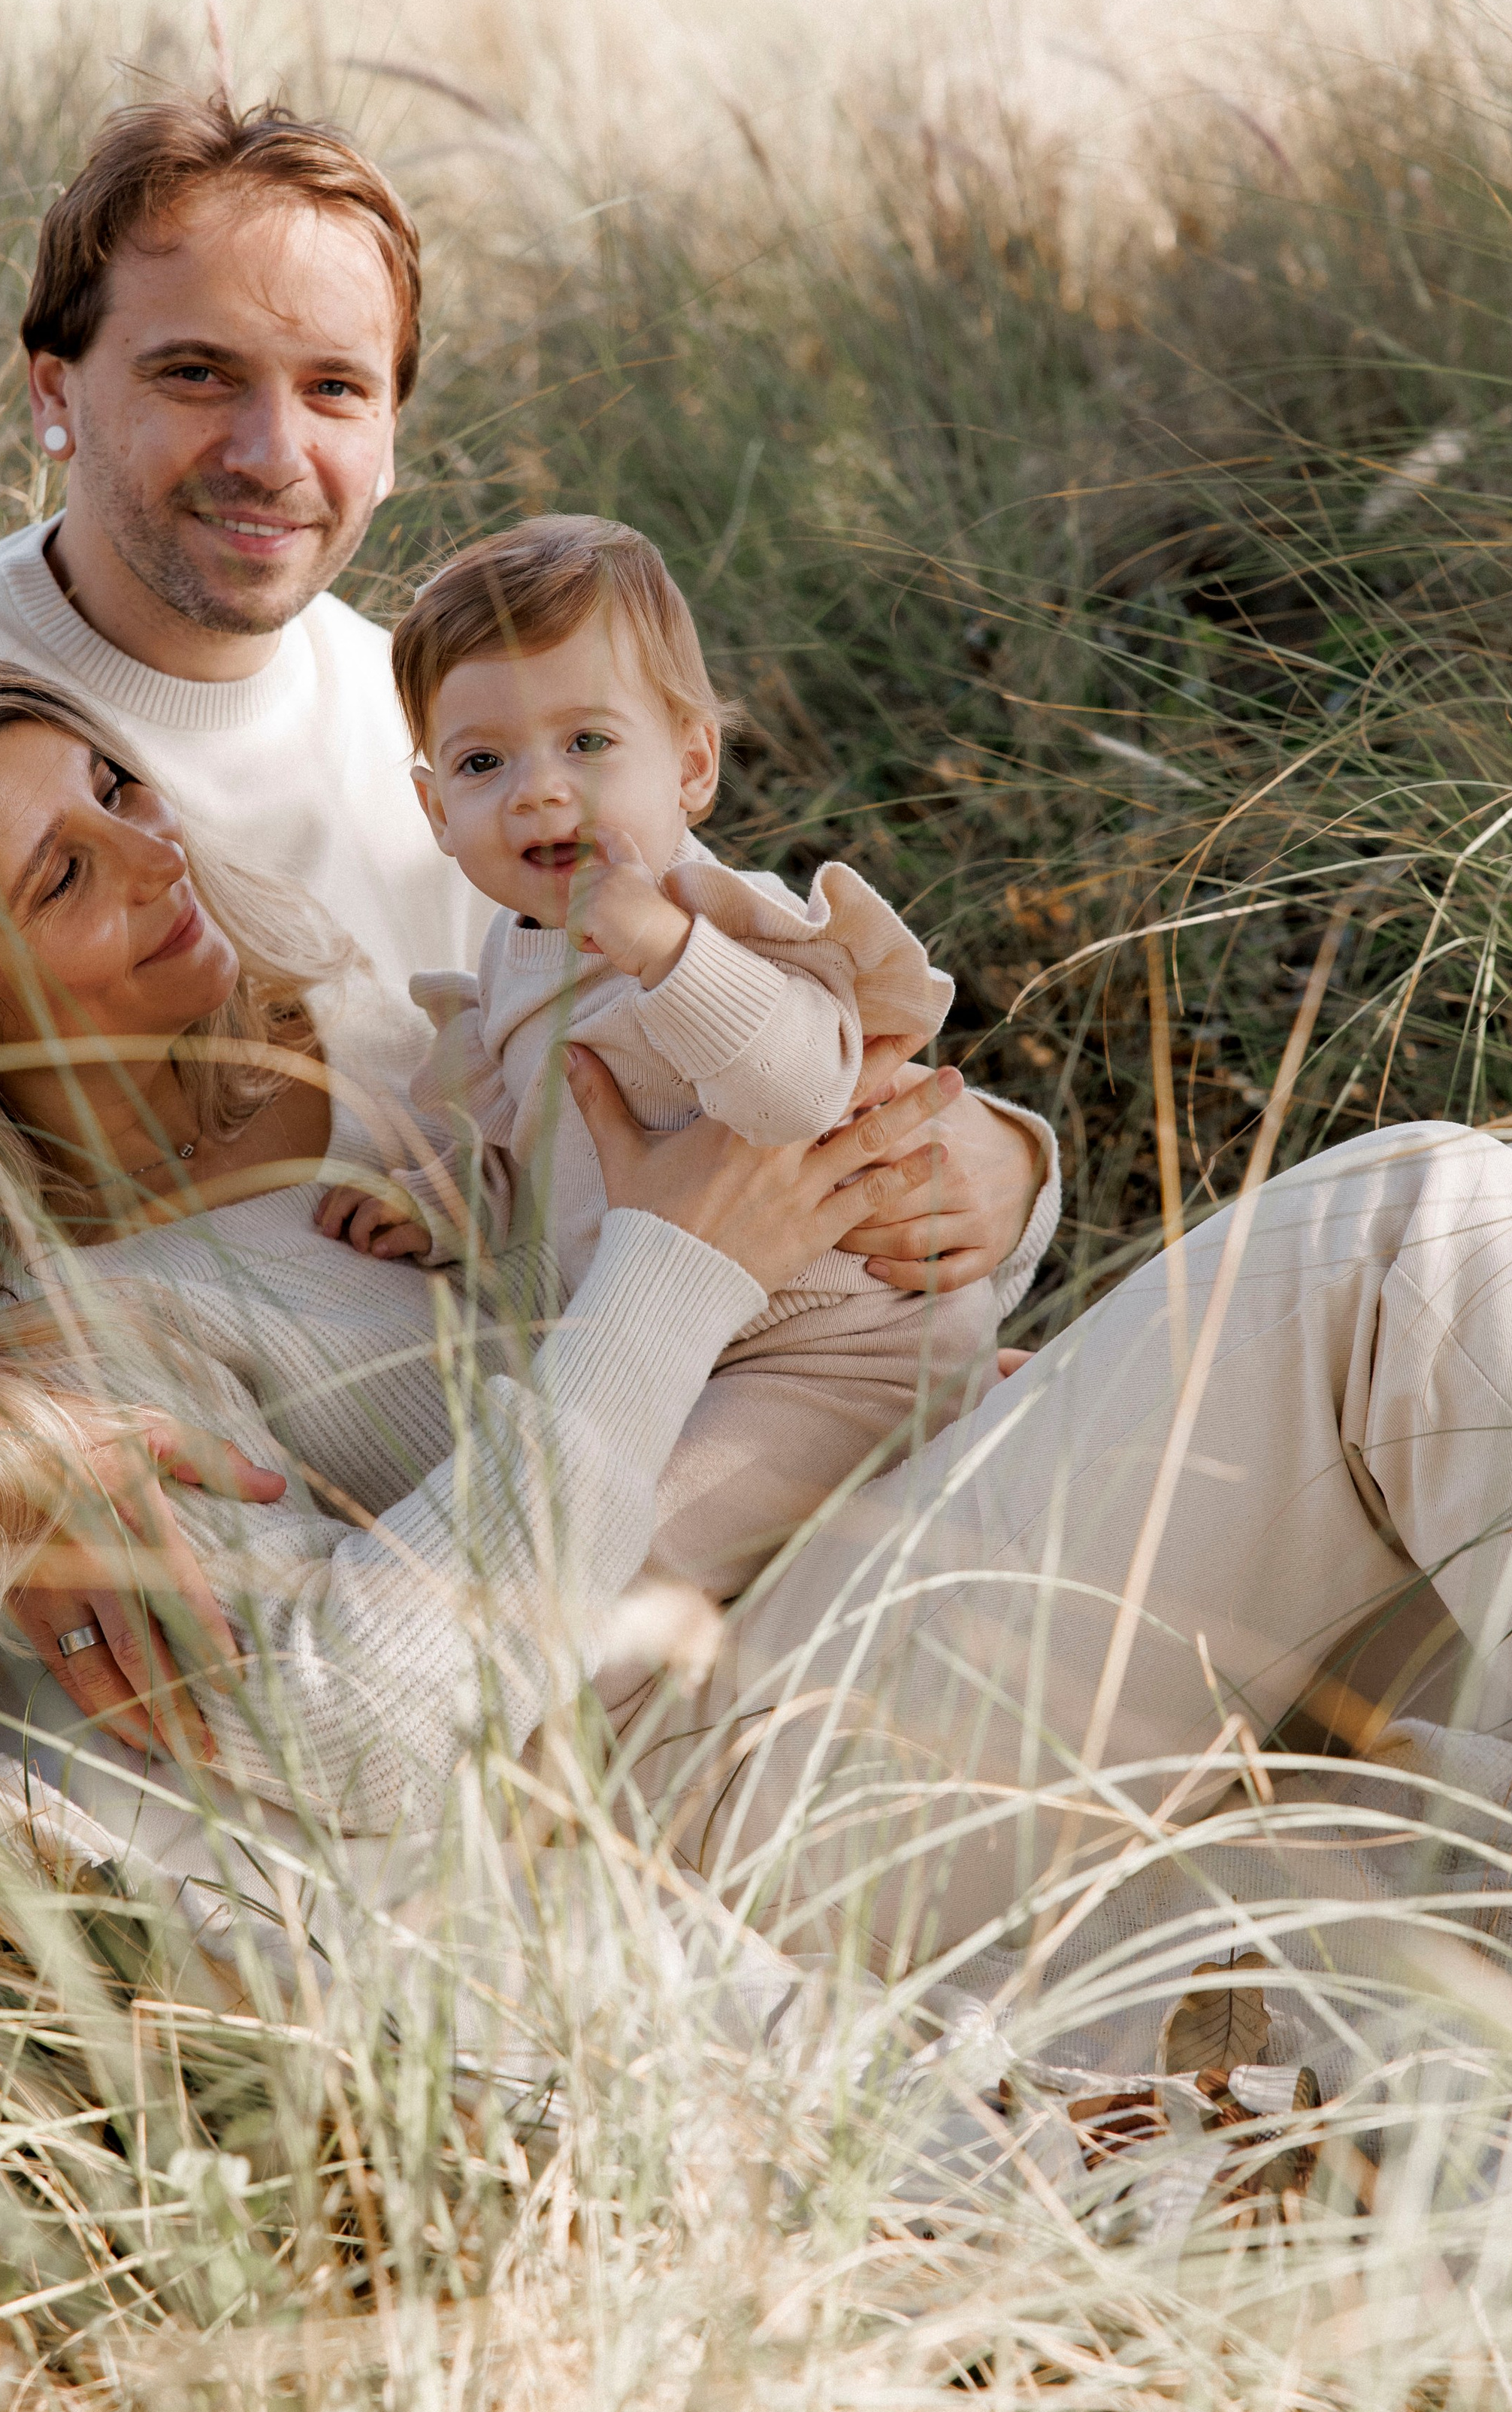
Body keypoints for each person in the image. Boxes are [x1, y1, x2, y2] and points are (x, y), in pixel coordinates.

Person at [0, 655, 1512, 2012]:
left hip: (898, 1548)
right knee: (1407, 1236)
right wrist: (676, 1265)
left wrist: (990, 1164)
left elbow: (829, 1236)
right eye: (60, 873)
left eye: (120, 791)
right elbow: (347, 1735)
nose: (155, 857)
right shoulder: (54, 1365)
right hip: (713, 1785)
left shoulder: (391, 1066)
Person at [0, 90, 1042, 1305]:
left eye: (335, 388)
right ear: (54, 391)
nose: (271, 453)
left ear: (391, 440)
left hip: (643, 1411)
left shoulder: (462, 735)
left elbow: (749, 1014)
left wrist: (1003, 1173)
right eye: (197, 373)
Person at [327, 511, 1057, 1600]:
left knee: (637, 1567)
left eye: (587, 743)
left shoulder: (721, 919)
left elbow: (802, 1089)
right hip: (699, 1356)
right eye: (485, 762)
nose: (540, 788)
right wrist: (441, 1201)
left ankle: (950, 1438)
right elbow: (542, 1160)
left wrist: (669, 951)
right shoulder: (512, 961)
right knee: (612, 1519)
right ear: (436, 811)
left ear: (693, 765)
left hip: (836, 1350)